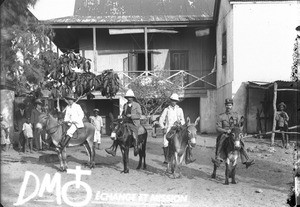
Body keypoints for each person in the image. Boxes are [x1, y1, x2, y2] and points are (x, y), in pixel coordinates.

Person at [211, 98, 255, 168]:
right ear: (225, 106)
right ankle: (218, 158)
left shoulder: (236, 115)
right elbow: (218, 128)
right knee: (221, 140)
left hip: (234, 133)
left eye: (230, 105)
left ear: (232, 106)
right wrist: (225, 131)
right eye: (227, 105)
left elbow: (239, 125)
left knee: (241, 142)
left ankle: (246, 160)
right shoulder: (221, 116)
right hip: (225, 133)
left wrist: (240, 131)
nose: (229, 107)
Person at [159, 93, 195, 165]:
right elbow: (161, 119)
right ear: (170, 101)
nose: (173, 102)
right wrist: (163, 127)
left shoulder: (179, 109)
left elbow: (183, 120)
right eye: (172, 100)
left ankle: (188, 158)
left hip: (178, 128)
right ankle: (167, 158)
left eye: (175, 101)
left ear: (176, 102)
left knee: (187, 141)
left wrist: (180, 123)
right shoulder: (166, 110)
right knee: (165, 143)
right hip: (169, 128)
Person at [105, 89, 142, 156]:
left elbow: (139, 115)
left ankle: (136, 146)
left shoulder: (137, 105)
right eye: (128, 97)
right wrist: (120, 116)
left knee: (134, 132)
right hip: (125, 122)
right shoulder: (125, 105)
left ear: (133, 98)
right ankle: (113, 149)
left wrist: (131, 116)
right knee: (117, 131)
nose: (129, 99)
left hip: (134, 122)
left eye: (130, 97)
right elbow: (123, 114)